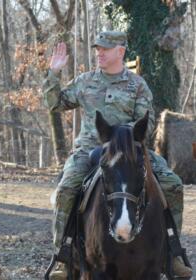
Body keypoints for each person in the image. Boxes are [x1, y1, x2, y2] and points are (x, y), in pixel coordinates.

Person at [43, 31, 192, 279]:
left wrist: (124, 138)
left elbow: (148, 122)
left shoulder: (137, 85)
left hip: (131, 150)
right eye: (98, 48)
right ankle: (64, 256)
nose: (99, 53)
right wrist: (54, 73)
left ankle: (172, 253)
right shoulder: (86, 81)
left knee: (173, 185)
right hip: (89, 150)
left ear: (120, 51)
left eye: (105, 48)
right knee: (66, 189)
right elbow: (55, 104)